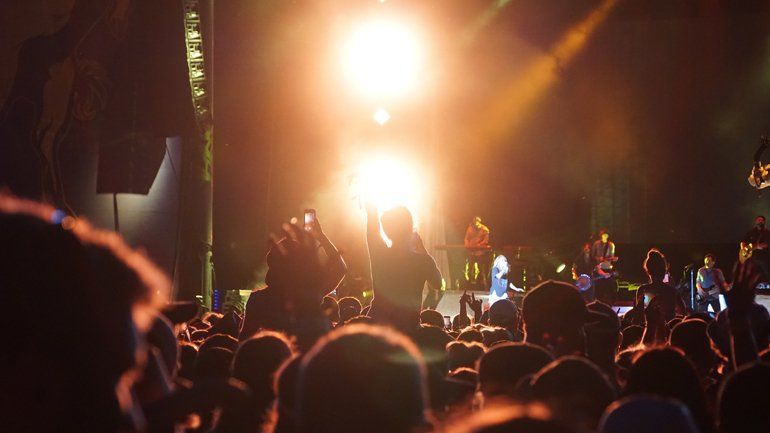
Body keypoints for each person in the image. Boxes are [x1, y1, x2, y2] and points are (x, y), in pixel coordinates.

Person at [240, 214, 347, 349]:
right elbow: (340, 269)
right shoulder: (308, 294)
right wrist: (320, 236)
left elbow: (244, 340)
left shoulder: (259, 299)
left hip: (272, 362)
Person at [366, 203, 442, 333]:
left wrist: (371, 210)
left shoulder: (380, 253)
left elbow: (372, 226)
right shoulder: (423, 261)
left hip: (378, 325)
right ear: (411, 228)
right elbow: (438, 284)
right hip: (408, 328)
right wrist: (422, 249)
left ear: (387, 230)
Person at [635, 248, 686, 322]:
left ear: (648, 272)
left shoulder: (642, 290)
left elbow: (638, 317)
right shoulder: (673, 291)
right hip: (668, 331)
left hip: (649, 331)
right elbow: (683, 313)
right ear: (664, 271)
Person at [591, 229, 618, 305]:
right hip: (598, 267)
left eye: (606, 235)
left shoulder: (611, 245)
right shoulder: (596, 244)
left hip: (607, 268)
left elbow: (611, 257)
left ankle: (612, 303)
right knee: (599, 288)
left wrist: (612, 259)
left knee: (610, 287)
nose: (604, 236)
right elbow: (592, 256)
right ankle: (597, 303)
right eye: (603, 235)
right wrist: (598, 258)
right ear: (600, 236)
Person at [465, 216, 491, 289]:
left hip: (480, 252)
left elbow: (486, 240)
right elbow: (466, 238)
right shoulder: (470, 228)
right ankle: (469, 282)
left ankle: (480, 283)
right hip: (471, 251)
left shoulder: (484, 229)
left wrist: (480, 244)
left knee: (480, 268)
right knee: (470, 267)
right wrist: (467, 244)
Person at [741, 215, 770, 281]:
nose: (760, 221)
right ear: (755, 221)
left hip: (764, 258)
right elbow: (744, 243)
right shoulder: (750, 232)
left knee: (767, 273)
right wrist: (754, 247)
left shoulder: (767, 232)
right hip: (752, 258)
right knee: (751, 275)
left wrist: (754, 247)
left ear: (764, 222)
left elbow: (766, 244)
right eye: (758, 220)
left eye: (761, 220)